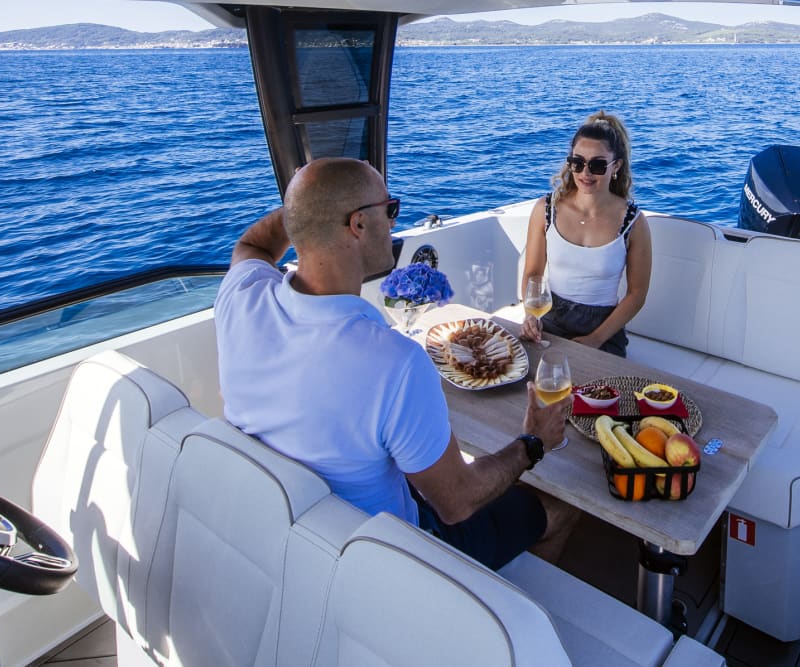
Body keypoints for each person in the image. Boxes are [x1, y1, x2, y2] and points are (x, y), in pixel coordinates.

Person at [214, 157, 578, 570]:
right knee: (557, 508)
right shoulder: (395, 363)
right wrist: (533, 443)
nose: (393, 223)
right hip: (392, 556)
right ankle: (492, 604)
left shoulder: (241, 295)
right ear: (358, 225)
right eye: (390, 210)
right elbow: (457, 501)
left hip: (297, 540)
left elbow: (253, 246)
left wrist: (309, 208)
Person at [520, 111, 652, 358]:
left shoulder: (633, 222)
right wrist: (530, 315)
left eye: (598, 164)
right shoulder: (545, 210)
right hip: (549, 320)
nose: (586, 173)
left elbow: (636, 295)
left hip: (603, 328)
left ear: (616, 167)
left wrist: (595, 339)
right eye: (578, 162)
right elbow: (533, 274)